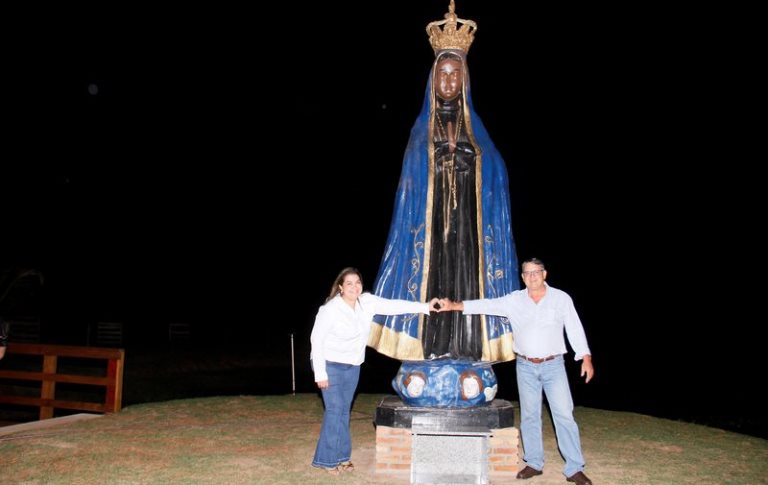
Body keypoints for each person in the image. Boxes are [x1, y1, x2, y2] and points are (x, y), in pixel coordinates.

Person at [369, 2, 519, 363]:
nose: (449, 81)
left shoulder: (476, 130)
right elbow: (410, 184)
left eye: (456, 74)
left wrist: (472, 160)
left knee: (467, 279)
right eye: (443, 74)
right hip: (432, 229)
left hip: (468, 228)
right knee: (434, 279)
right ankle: (430, 347)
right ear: (432, 79)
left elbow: (497, 172)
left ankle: (467, 347)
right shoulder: (421, 132)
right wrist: (437, 164)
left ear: (465, 80)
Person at [438, 257, 595, 485]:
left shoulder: (561, 299)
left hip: (554, 366)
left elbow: (574, 328)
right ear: (523, 277)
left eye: (536, 272)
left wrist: (585, 357)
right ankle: (533, 463)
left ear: (545, 274)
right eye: (527, 273)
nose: (532, 276)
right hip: (525, 366)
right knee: (530, 416)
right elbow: (486, 305)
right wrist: (454, 305)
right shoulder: (514, 300)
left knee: (564, 415)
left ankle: (574, 468)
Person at [310, 267, 437, 475]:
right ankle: (326, 459)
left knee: (343, 412)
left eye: (357, 282)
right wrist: (320, 373)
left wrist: (424, 307)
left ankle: (343, 456)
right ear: (341, 287)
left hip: (352, 367)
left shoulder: (366, 302)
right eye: (349, 283)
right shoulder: (330, 309)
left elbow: (392, 306)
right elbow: (317, 341)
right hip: (330, 366)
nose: (354, 287)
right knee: (334, 412)